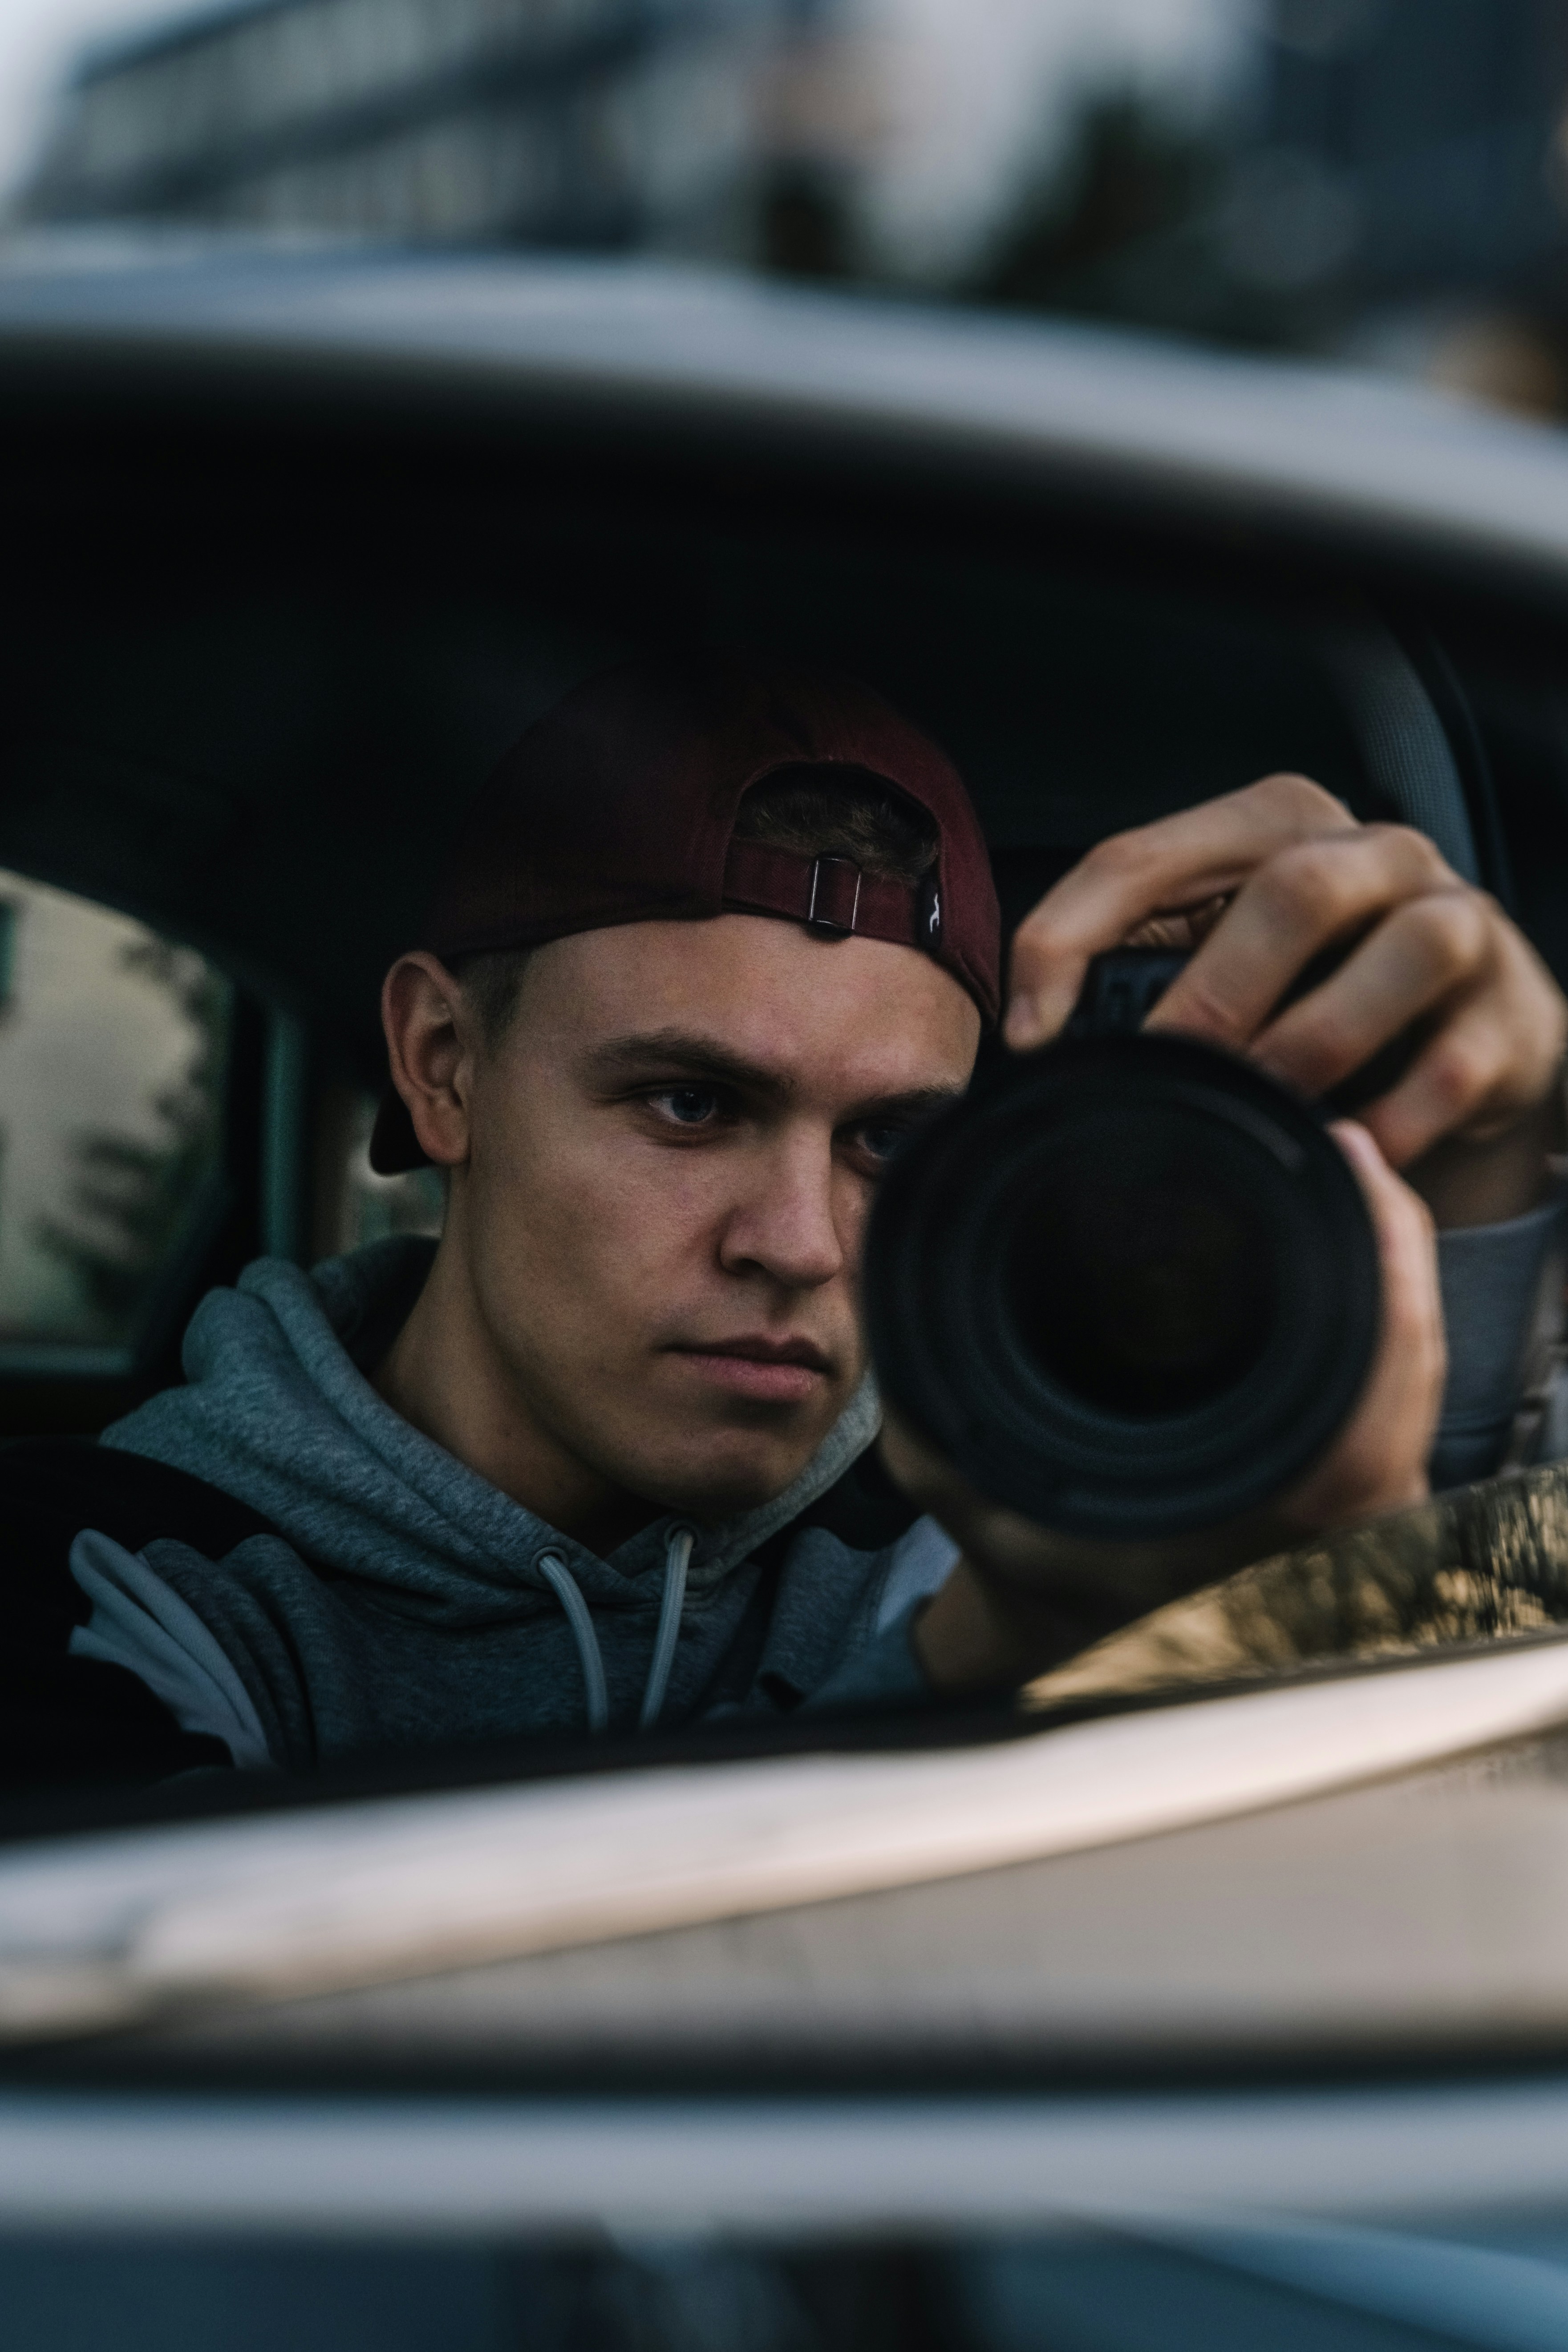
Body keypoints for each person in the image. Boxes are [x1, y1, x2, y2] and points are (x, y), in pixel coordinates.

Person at [5, 656, 1564, 1782]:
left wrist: (1478, 1189)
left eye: (891, 1140)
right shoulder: (106, 1581)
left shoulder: (1003, 1512)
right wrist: (991, 1663)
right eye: (689, 1105)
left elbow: (1459, 1682)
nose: (800, 1243)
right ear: (441, 1069)